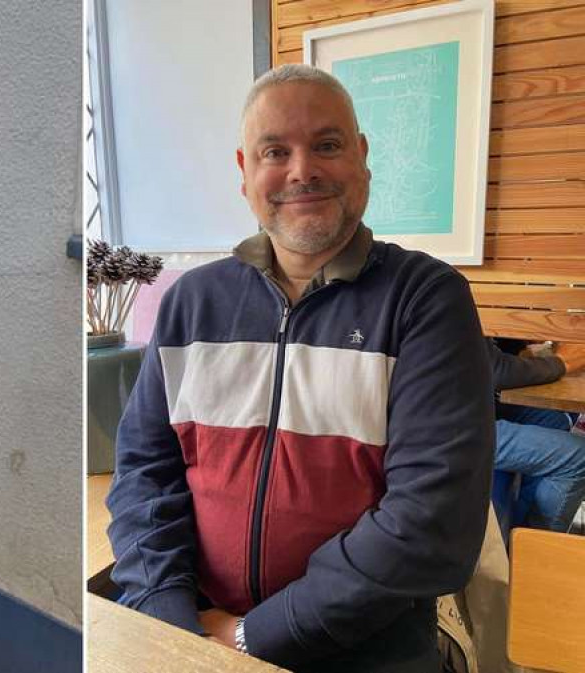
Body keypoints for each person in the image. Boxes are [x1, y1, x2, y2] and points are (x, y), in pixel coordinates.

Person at [105, 63, 495, 672]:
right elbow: (144, 474)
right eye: (275, 151)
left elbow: (431, 523)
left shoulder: (424, 299)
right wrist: (168, 615)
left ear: (362, 157)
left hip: (367, 651)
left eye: (327, 145)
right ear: (245, 172)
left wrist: (254, 636)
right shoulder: (192, 303)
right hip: (197, 633)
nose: (302, 170)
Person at [488, 338, 585, 532]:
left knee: (555, 422)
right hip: (440, 428)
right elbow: (493, 370)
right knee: (579, 456)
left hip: (476, 404)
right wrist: (562, 362)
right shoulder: (449, 309)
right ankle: (534, 554)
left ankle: (522, 528)